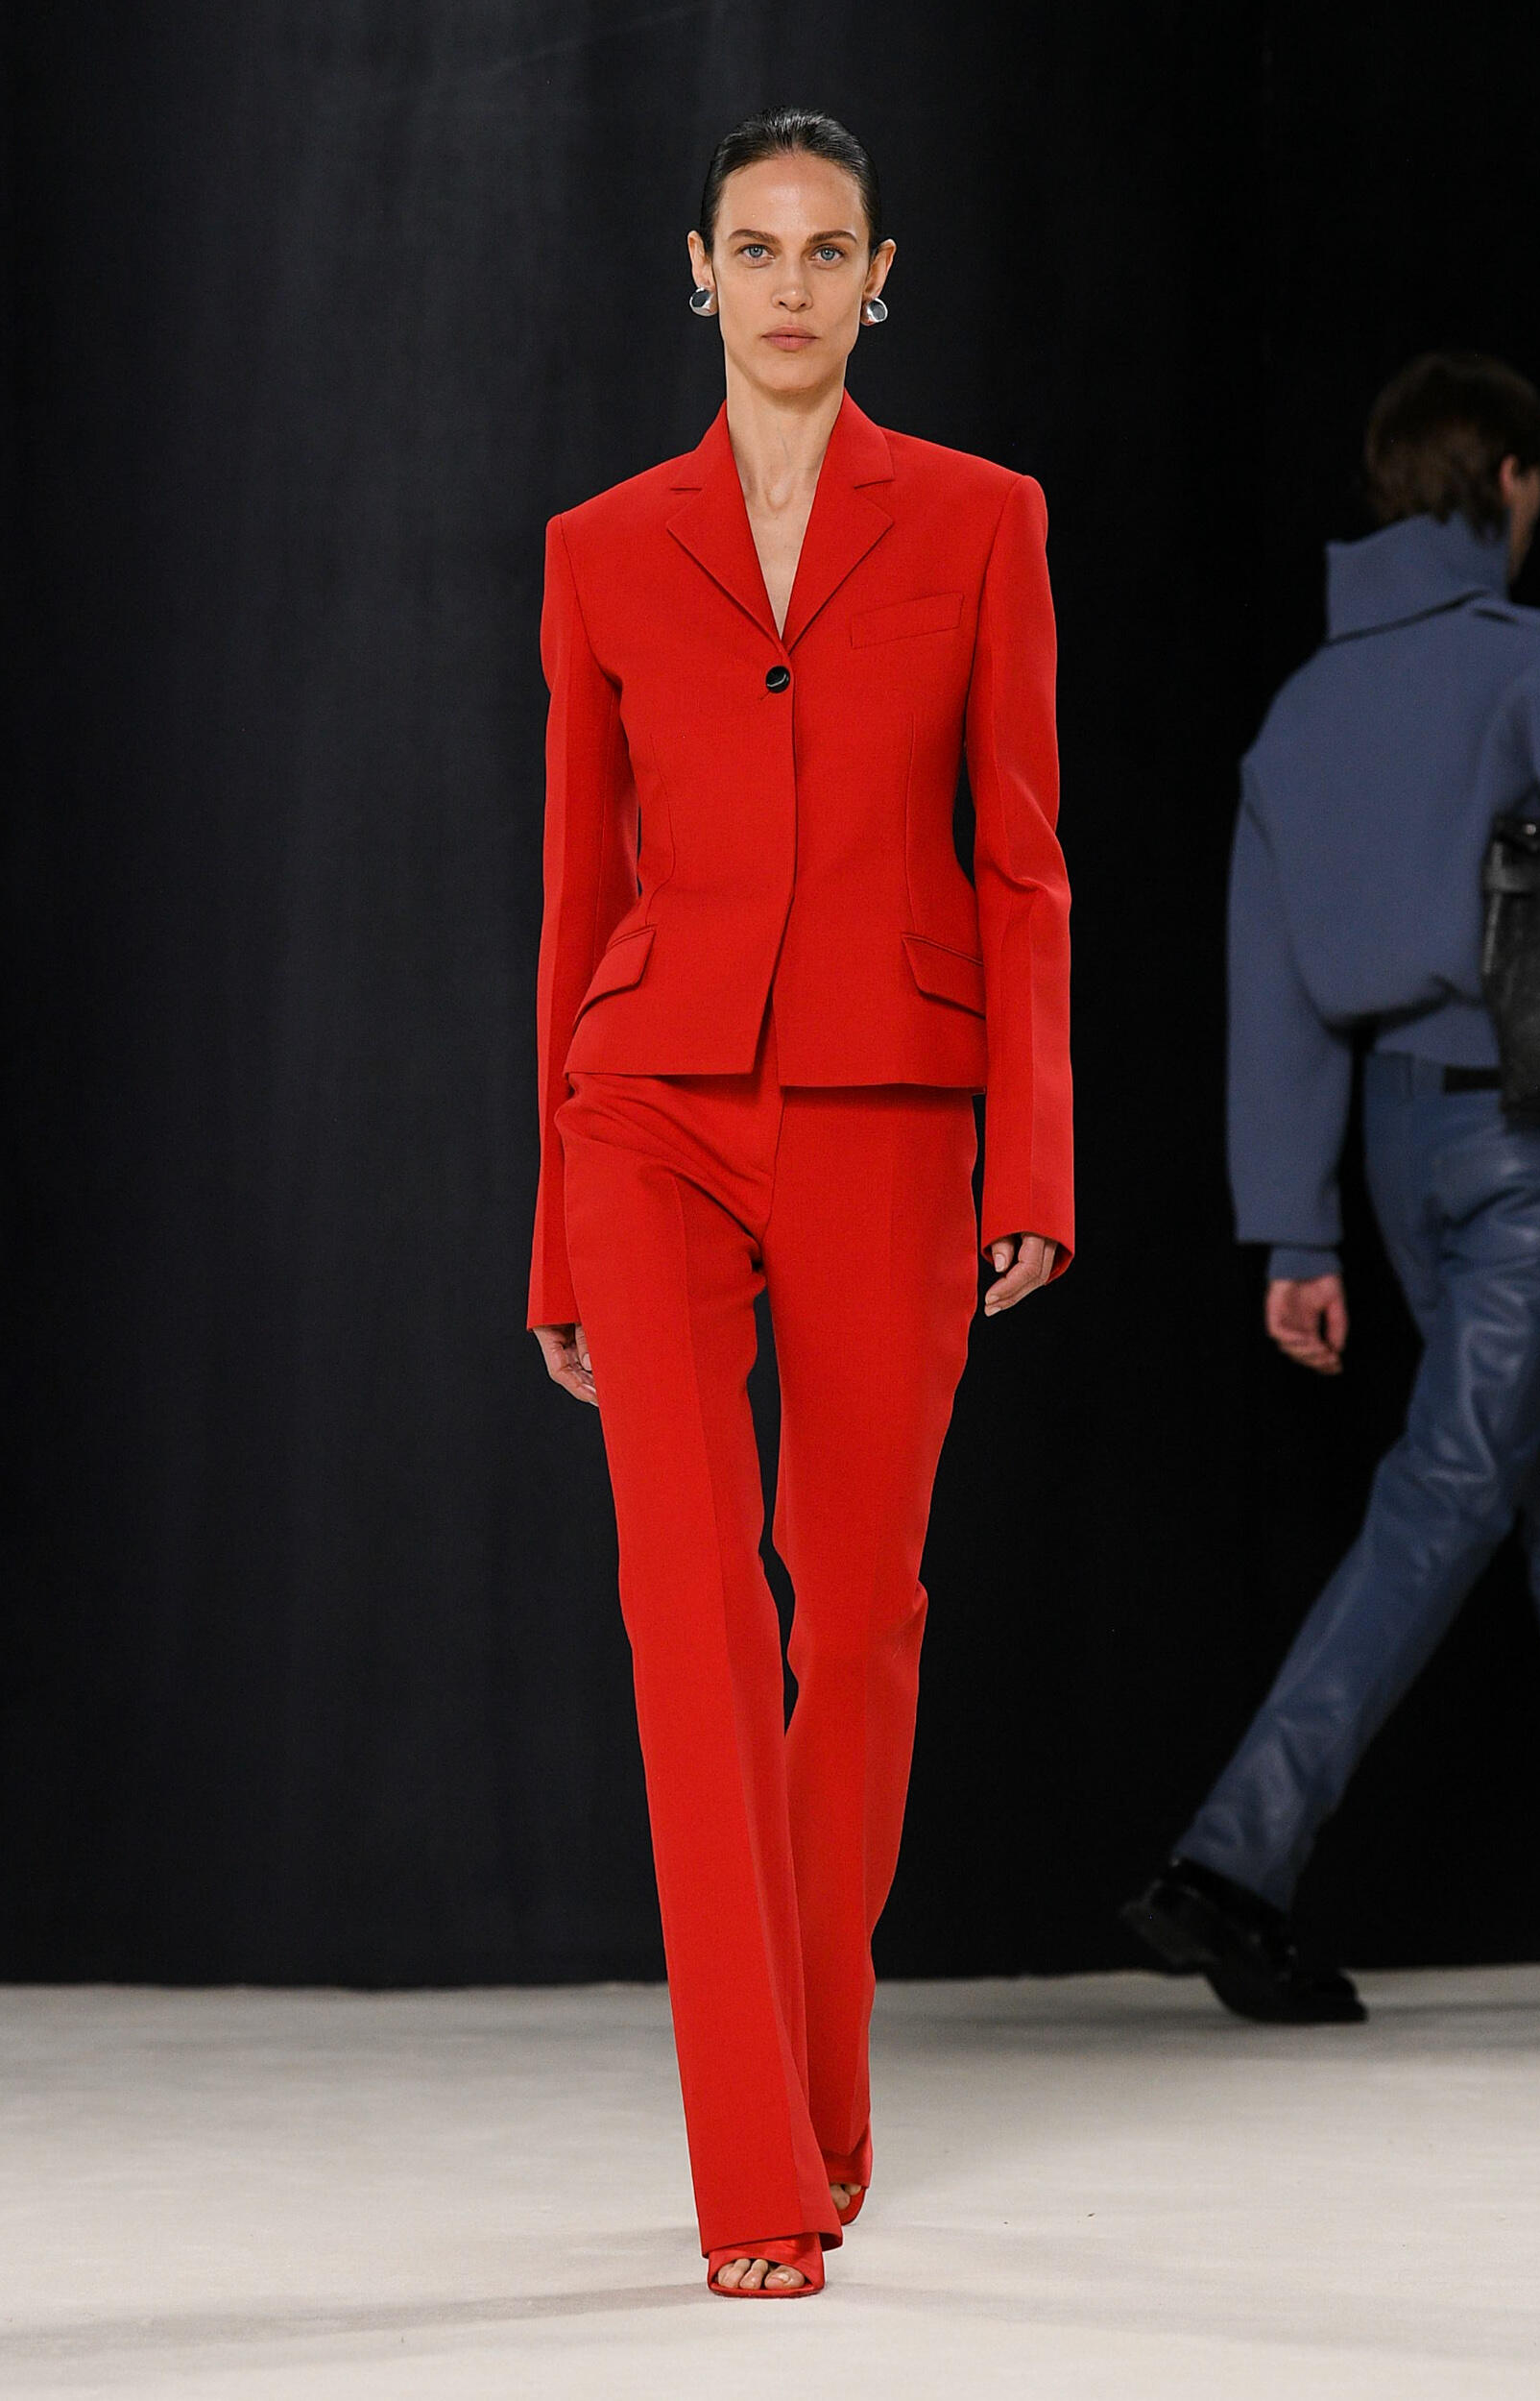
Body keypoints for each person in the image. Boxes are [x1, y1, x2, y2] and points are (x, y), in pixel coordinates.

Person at [528, 109, 1072, 2295]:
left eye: (823, 249)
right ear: (697, 270)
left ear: (880, 280)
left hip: (888, 1103)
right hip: (648, 1110)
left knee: (852, 1619)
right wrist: (551, 1231)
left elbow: (1021, 859)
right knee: (691, 1618)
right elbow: (577, 893)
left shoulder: (981, 520)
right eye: (751, 248)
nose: (785, 284)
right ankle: (756, 2166)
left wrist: (1034, 1153)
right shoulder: (601, 545)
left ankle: (827, 2079)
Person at [1123, 352, 1540, 2024]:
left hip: (1399, 1155)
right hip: (1532, 1134)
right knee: (1457, 1491)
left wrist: (1294, 1232)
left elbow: (1274, 992)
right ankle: (1231, 1861)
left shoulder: (1302, 717)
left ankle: (1234, 1860)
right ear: (1508, 484)